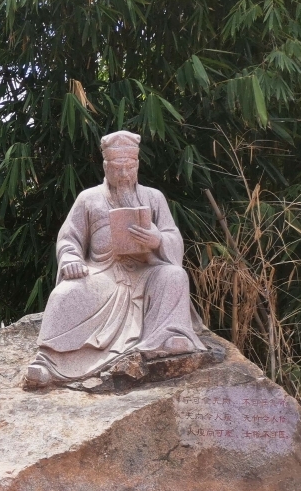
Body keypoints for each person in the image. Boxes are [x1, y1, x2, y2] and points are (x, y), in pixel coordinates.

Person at [26, 131, 205, 386]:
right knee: (64, 295)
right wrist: (70, 259)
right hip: (102, 275)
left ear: (137, 165)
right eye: (117, 168)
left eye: (129, 167)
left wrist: (157, 240)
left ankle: (166, 337)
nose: (124, 174)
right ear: (105, 166)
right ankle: (48, 361)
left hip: (145, 273)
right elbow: (69, 238)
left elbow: (172, 237)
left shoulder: (154, 197)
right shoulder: (88, 199)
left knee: (175, 276)